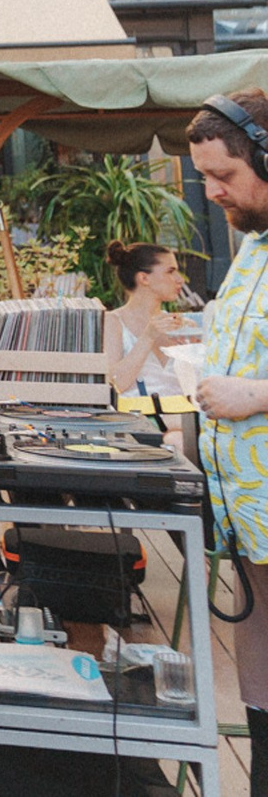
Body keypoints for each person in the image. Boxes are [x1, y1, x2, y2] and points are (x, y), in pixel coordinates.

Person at [187, 89, 268, 777]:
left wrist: (255, 395)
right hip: (251, 518)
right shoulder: (252, 246)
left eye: (224, 175)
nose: (212, 191)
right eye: (204, 176)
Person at [107, 241, 198, 397]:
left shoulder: (183, 326)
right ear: (144, 278)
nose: (180, 279)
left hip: (184, 411)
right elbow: (112, 386)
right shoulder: (112, 322)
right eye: (170, 271)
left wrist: (194, 352)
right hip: (135, 411)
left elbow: (198, 387)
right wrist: (148, 337)